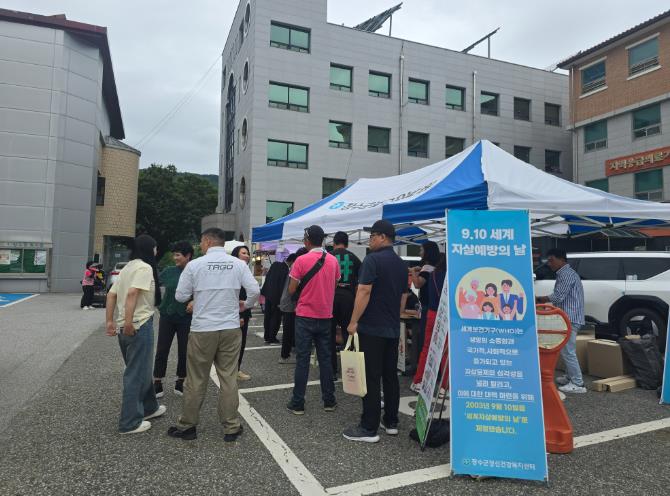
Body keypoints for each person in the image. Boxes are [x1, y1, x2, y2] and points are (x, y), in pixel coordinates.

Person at [168, 228, 260, 441]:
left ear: (208, 241)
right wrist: (245, 305)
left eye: (201, 242)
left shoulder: (194, 265)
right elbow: (255, 291)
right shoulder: (238, 264)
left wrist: (197, 297)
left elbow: (180, 296)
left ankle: (188, 426)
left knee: (196, 379)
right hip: (230, 327)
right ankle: (231, 427)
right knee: (228, 377)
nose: (200, 245)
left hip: (202, 329)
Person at [343, 220, 407, 443]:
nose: (369, 241)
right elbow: (403, 296)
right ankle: (391, 421)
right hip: (392, 327)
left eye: (372, 236)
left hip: (372, 327)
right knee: (390, 376)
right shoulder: (401, 264)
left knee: (371, 376)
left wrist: (353, 321)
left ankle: (368, 427)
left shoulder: (372, 260)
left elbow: (364, 291)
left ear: (382, 237)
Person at [105, 235, 165, 434]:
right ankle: (129, 422)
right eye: (155, 247)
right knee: (136, 374)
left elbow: (111, 294)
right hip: (138, 325)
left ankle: (149, 408)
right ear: (149, 248)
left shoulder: (127, 267)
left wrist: (110, 321)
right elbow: (132, 293)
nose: (156, 251)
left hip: (125, 326)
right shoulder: (145, 268)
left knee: (141, 370)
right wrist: (130, 322)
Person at [286, 225, 340, 415]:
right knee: (325, 359)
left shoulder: (300, 260)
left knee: (302, 359)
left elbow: (291, 290)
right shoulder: (333, 260)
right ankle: (329, 401)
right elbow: (335, 284)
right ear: (322, 240)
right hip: (325, 316)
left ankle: (298, 402)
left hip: (304, 316)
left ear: (307, 241)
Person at [536, 248, 586, 394]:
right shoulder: (565, 273)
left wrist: (539, 299)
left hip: (570, 318)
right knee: (565, 350)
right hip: (568, 317)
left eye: (551, 260)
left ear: (562, 259)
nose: (549, 263)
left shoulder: (566, 274)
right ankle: (570, 377)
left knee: (568, 351)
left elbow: (558, 297)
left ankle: (578, 383)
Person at [153, 241, 194, 398]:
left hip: (186, 317)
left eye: (178, 255)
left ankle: (180, 381)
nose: (175, 258)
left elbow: (203, 290)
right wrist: (158, 304)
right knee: (162, 349)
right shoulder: (169, 271)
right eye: (174, 254)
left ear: (188, 256)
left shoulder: (196, 271)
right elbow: (154, 287)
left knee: (185, 350)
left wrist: (194, 301)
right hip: (167, 316)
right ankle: (157, 381)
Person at [411, 255, 447, 392]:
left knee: (427, 348)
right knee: (446, 350)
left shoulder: (433, 274)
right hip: (445, 314)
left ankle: (418, 380)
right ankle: (444, 386)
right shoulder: (449, 275)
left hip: (431, 313)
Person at [330, 231, 362, 374]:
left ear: (334, 243)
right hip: (348, 297)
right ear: (347, 243)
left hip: (331, 297)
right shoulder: (354, 258)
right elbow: (361, 282)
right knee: (348, 331)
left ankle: (331, 370)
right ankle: (350, 369)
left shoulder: (328, 257)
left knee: (329, 333)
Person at [408, 241, 440, 373]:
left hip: (427, 308)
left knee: (424, 340)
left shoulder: (427, 268)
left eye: (421, 250)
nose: (420, 252)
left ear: (427, 252)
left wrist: (412, 272)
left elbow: (417, 284)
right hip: (434, 306)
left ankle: (422, 369)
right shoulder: (437, 267)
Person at [278, 249, 306, 364]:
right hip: (290, 303)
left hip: (287, 301)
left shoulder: (295, 266)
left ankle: (287, 354)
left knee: (290, 330)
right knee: (289, 330)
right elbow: (293, 289)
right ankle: (285, 356)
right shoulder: (297, 266)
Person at [231, 245, 253, 381]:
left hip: (244, 311)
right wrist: (239, 315)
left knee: (241, 342)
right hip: (236, 311)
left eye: (247, 253)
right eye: (243, 253)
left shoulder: (246, 270)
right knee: (235, 344)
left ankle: (236, 369)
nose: (247, 255)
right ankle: (233, 371)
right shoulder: (234, 271)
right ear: (236, 255)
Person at [261, 258, 290, 344]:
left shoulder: (274, 265)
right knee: (276, 318)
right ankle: (272, 337)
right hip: (277, 297)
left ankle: (267, 336)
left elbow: (268, 279)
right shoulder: (285, 269)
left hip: (268, 295)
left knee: (268, 316)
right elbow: (283, 285)